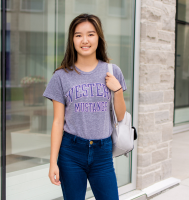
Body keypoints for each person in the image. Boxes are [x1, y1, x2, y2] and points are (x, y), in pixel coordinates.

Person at [42, 13, 127, 200]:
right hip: (71, 152)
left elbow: (120, 116)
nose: (85, 40)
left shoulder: (113, 71)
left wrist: (118, 90)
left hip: (102, 153)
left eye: (91, 34)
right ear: (72, 40)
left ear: (99, 38)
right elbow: (57, 122)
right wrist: (52, 163)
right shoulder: (61, 76)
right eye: (78, 35)